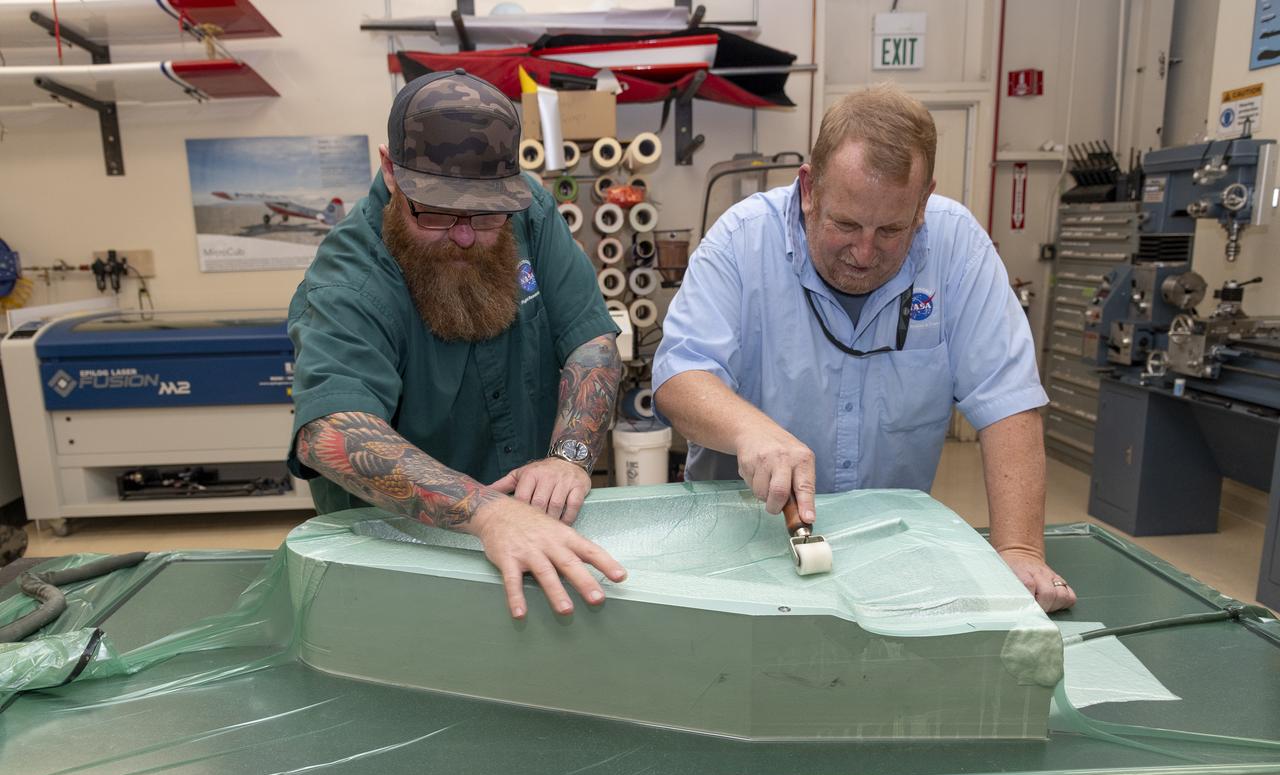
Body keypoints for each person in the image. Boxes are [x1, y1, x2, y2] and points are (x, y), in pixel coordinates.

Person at [653, 84, 1075, 613]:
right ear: (809, 188)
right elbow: (678, 376)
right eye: (846, 223)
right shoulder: (741, 241)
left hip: (888, 555)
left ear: (922, 204)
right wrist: (750, 430)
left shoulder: (959, 248)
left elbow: (1008, 400)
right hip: (742, 543)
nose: (864, 251)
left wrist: (1018, 549)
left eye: (892, 229)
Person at [287, 69, 625, 619]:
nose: (465, 234)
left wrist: (570, 458)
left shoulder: (526, 208)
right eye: (439, 212)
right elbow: (331, 433)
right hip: (397, 557)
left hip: (535, 536)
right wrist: (488, 511)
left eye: (487, 214)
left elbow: (590, 340)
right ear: (391, 171)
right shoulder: (349, 280)